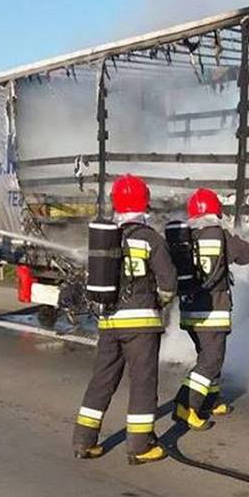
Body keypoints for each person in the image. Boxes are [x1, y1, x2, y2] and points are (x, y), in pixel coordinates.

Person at [73, 174, 177, 465]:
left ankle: (84, 441)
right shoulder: (151, 239)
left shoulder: (107, 237)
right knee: (142, 381)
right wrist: (160, 302)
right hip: (141, 324)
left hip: (108, 322)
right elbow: (168, 282)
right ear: (145, 203)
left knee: (102, 380)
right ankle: (140, 446)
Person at [173, 187, 249, 429]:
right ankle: (187, 405)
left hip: (189, 311)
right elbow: (246, 255)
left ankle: (211, 399)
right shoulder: (220, 235)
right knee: (211, 360)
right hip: (212, 312)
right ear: (216, 211)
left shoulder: (185, 237)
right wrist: (232, 235)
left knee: (209, 356)